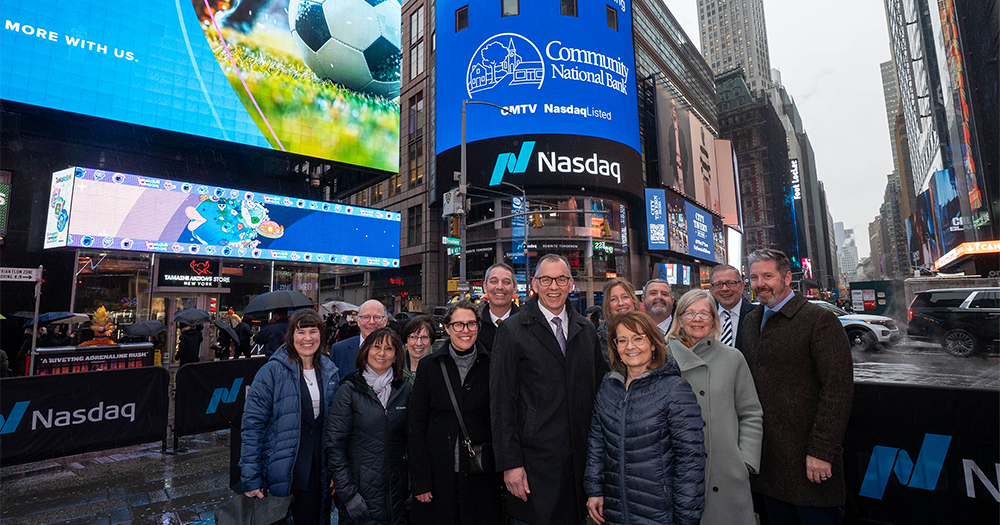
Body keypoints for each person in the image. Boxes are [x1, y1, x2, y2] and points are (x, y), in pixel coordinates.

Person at [491, 253, 606, 525]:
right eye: (546, 279)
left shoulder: (586, 330)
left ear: (571, 284)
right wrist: (511, 464)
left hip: (580, 464)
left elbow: (599, 393)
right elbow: (501, 403)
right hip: (534, 466)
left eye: (561, 279)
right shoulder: (512, 330)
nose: (553, 287)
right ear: (534, 284)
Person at [741, 249, 853, 524]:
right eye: (754, 277)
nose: (760, 284)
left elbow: (837, 390)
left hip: (809, 463)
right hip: (768, 465)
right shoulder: (750, 322)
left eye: (768, 276)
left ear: (787, 277)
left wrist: (821, 451)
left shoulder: (819, 321)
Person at [584, 311, 706, 525]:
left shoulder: (674, 390)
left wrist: (687, 518)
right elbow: (597, 442)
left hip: (659, 512)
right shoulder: (609, 385)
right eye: (622, 340)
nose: (630, 346)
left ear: (653, 343)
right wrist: (594, 489)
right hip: (615, 509)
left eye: (638, 338)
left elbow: (690, 461)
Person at [666, 289, 763, 525]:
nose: (697, 319)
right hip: (675, 473)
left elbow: (750, 412)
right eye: (690, 313)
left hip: (727, 473)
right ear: (679, 319)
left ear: (714, 319)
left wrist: (745, 461)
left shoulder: (733, 358)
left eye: (704, 313)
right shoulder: (662, 359)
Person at [241, 309, 340, 525]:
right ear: (290, 336)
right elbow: (252, 427)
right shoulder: (271, 372)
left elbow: (335, 426)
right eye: (300, 332)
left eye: (313, 332)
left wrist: (336, 470)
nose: (307, 338)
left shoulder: (331, 370)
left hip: (317, 474)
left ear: (321, 335)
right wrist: (250, 478)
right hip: (281, 473)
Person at [408, 300, 502, 525]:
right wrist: (421, 481)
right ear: (448, 327)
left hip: (482, 474)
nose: (465, 330)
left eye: (471, 324)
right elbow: (415, 425)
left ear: (479, 327)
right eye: (458, 324)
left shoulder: (493, 364)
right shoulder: (429, 366)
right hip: (440, 476)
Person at [325, 327, 411, 525]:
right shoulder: (349, 389)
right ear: (365, 351)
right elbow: (334, 445)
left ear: (396, 355)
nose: (382, 353)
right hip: (360, 498)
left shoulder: (405, 390)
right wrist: (347, 495)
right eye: (376, 347)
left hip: (396, 498)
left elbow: (413, 441)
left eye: (389, 349)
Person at [330, 300, 389, 377]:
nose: (371, 322)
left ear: (385, 321)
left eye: (377, 317)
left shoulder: (397, 349)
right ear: (358, 320)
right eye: (366, 317)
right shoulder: (339, 350)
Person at [709, 264, 757, 351]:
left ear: (741, 286)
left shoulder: (758, 315)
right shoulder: (705, 316)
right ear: (712, 289)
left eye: (731, 283)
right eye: (718, 284)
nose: (724, 289)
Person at [478, 262, 519, 353]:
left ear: (514, 288)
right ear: (485, 287)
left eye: (506, 282)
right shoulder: (474, 327)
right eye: (493, 281)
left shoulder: (529, 326)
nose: (500, 287)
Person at [596, 278, 639, 358]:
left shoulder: (648, 328)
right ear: (608, 305)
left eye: (625, 297)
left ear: (633, 300)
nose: (620, 303)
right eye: (613, 299)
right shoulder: (600, 338)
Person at [401, 314, 435, 384]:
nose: (419, 343)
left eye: (424, 337)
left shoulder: (440, 367)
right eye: (413, 337)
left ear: (431, 340)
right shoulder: (394, 367)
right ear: (406, 341)